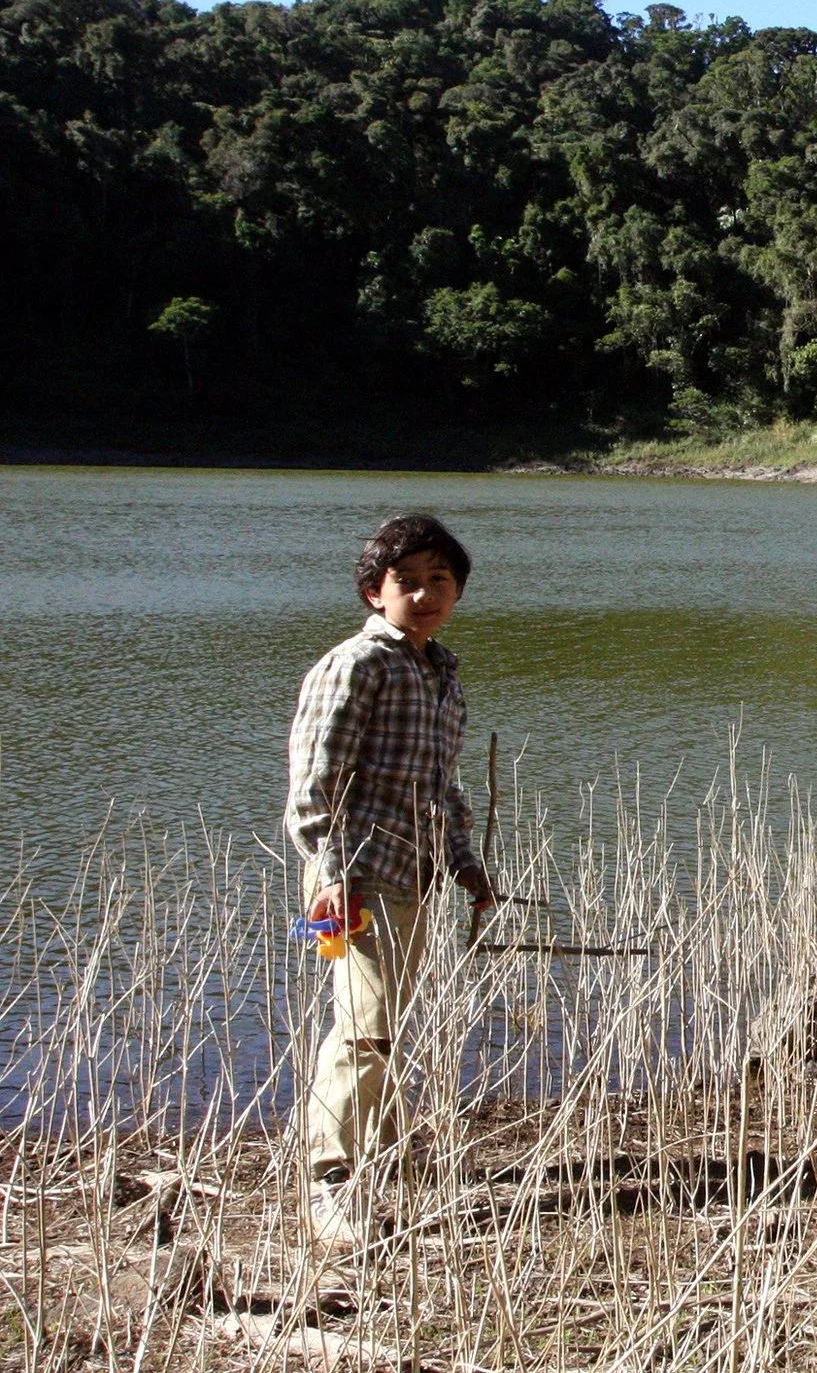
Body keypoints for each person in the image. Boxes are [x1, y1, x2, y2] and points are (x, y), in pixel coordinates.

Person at [286, 514, 496, 1246]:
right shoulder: (358, 665)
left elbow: (442, 786)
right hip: (355, 881)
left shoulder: (438, 669)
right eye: (407, 581)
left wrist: (468, 866)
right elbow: (316, 789)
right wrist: (333, 874)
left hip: (414, 874)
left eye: (440, 580)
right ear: (376, 592)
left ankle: (374, 1156)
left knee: (388, 1026)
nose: (426, 593)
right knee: (364, 1030)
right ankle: (330, 1182)